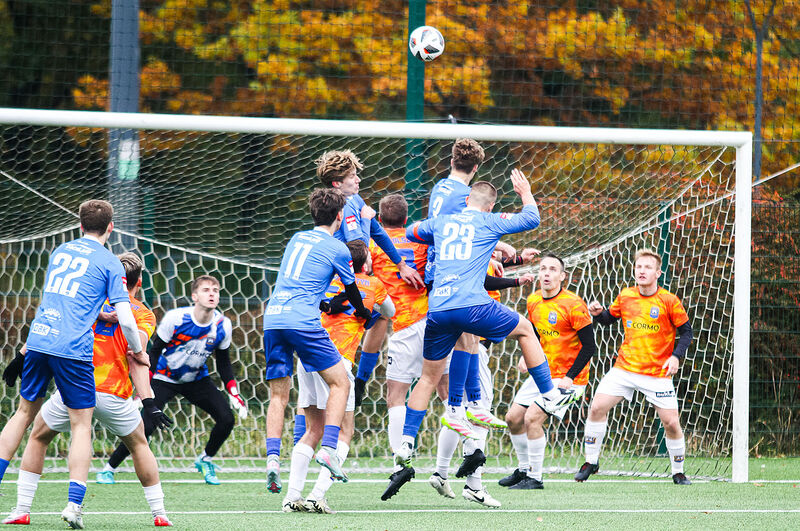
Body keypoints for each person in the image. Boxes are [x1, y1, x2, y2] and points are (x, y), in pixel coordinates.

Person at [383, 171, 579, 501]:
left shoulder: (442, 222)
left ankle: (407, 442)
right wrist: (525, 191)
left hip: (438, 307)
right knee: (525, 330)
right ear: (488, 208)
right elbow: (531, 217)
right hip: (471, 304)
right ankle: (548, 395)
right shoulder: (487, 223)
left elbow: (413, 231)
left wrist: (438, 229)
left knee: (429, 379)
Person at [0, 199, 147, 528]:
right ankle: (73, 506)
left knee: (23, 415)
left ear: (80, 225)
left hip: (39, 339)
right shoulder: (109, 262)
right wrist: (138, 349)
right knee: (81, 425)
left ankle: (20, 505)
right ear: (111, 227)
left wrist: (23, 352)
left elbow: (64, 301)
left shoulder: (60, 252)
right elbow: (125, 315)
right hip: (72, 349)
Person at [263, 188, 372, 496]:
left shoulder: (296, 239)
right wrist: (363, 312)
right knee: (341, 383)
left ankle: (272, 459)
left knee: (278, 396)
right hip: (302, 321)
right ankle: (328, 450)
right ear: (340, 216)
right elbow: (351, 290)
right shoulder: (338, 247)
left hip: (273, 318)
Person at [99, 275, 244, 486]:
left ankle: (205, 459)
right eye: (206, 290)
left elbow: (223, 363)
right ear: (194, 296)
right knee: (145, 427)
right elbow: (154, 353)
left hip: (196, 379)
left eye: (215, 290)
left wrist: (233, 391)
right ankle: (109, 468)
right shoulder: (176, 319)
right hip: (164, 377)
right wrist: (144, 389)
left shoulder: (223, 325)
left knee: (227, 419)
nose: (212, 293)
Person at [282, 240, 394, 514]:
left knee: (312, 430)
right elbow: (389, 313)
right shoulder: (373, 284)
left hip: (307, 358)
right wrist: (369, 311)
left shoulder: (325, 279)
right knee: (345, 431)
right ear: (365, 262)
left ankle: (291, 497)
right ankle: (317, 496)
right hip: (336, 362)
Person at [575, 249, 693, 485]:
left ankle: (678, 472)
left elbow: (687, 332)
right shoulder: (626, 295)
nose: (642, 271)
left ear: (658, 273)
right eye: (639, 266)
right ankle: (591, 461)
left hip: (657, 373)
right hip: (625, 369)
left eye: (647, 267)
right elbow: (610, 318)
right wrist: (599, 315)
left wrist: (676, 357)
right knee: (597, 407)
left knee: (671, 422)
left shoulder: (668, 300)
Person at [430, 256, 538, 507]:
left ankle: (441, 472)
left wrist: (516, 259)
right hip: (470, 349)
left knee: (457, 412)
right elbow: (484, 277)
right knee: (480, 413)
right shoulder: (473, 254)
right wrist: (515, 279)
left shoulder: (451, 254)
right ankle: (474, 485)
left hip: (447, 338)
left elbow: (490, 268)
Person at [500, 252, 596, 490]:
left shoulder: (573, 304)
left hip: (570, 381)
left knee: (532, 418)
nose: (546, 273)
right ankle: (523, 470)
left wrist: (569, 377)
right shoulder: (533, 301)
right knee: (512, 419)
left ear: (562, 276)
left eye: (553, 269)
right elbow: (532, 335)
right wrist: (526, 355)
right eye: (543, 268)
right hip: (543, 373)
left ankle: (535, 477)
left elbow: (590, 346)